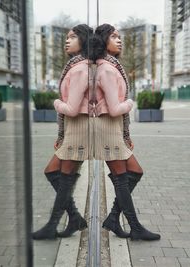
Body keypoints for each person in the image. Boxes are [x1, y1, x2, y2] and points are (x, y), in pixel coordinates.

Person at [93, 24, 160, 241]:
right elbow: (114, 108)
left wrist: (126, 134)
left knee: (134, 172)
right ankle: (135, 227)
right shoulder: (107, 69)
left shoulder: (112, 66)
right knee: (123, 179)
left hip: (114, 129)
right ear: (103, 40)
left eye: (119, 37)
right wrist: (130, 103)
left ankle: (113, 218)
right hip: (108, 127)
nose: (119, 40)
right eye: (114, 36)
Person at [32, 24, 93, 240]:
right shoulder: (75, 66)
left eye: (73, 37)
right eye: (66, 37)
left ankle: (53, 226)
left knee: (62, 177)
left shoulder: (79, 69)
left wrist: (56, 102)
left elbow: (72, 108)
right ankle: (74, 218)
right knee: (54, 173)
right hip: (73, 130)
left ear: (84, 40)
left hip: (78, 129)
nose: (67, 40)